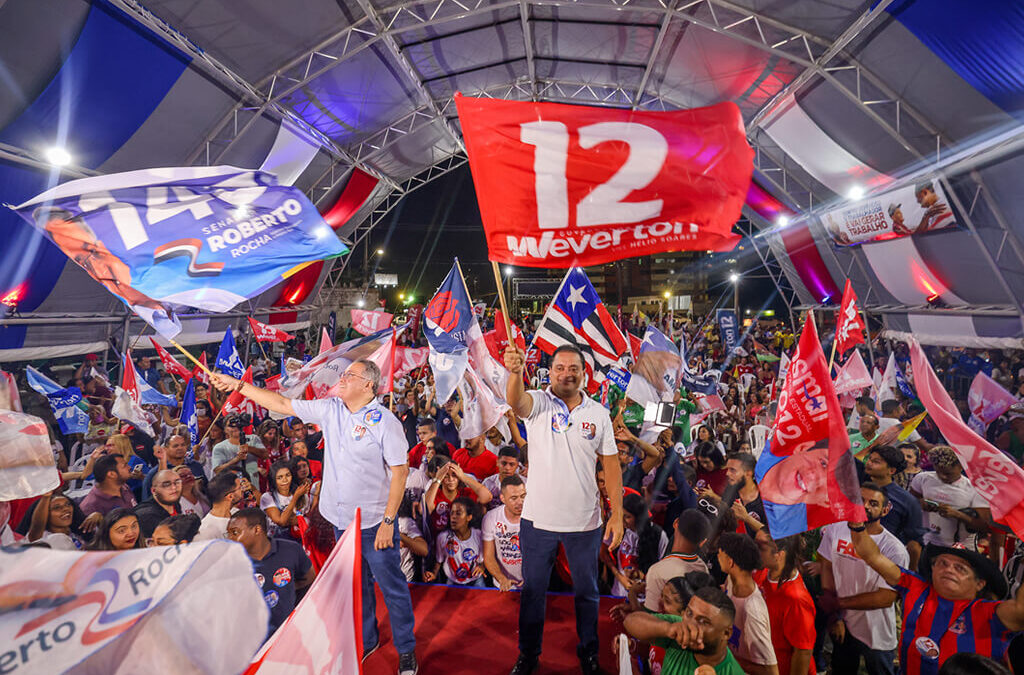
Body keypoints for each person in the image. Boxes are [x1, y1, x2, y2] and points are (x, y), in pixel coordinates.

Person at [211, 358, 419, 675]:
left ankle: (406, 650)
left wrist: (389, 522)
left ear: (368, 385)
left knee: (391, 587)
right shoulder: (331, 409)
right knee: (356, 585)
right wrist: (240, 386)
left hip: (374, 524)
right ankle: (367, 638)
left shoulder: (386, 422)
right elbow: (281, 402)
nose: (343, 378)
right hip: (340, 522)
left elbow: (400, 472)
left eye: (351, 375)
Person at [504, 344, 623, 675]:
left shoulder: (598, 414)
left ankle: (588, 653)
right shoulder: (539, 403)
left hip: (585, 523)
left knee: (587, 593)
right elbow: (516, 401)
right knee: (533, 592)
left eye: (573, 369)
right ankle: (528, 655)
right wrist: (515, 372)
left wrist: (615, 512)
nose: (566, 374)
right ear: (550, 371)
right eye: (560, 368)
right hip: (538, 521)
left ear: (584, 374)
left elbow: (611, 465)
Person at [848, 518, 1024, 673]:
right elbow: (872, 556)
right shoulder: (915, 587)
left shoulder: (991, 614)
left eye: (960, 568)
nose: (948, 569)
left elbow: (1020, 609)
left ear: (980, 584)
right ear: (931, 569)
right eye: (942, 563)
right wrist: (856, 526)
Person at [819, 484, 908, 675]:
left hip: (876, 630)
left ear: (885, 510)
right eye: (860, 500)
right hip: (843, 624)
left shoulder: (894, 549)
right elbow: (826, 566)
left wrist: (837, 604)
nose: (864, 506)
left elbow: (886, 597)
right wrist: (835, 616)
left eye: (873, 503)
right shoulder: (836, 529)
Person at [227, 507, 315, 636]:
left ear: (257, 530)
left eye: (235, 532)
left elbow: (309, 577)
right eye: (228, 533)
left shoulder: (291, 550)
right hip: (255, 641)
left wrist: (288, 589)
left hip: (290, 633)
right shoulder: (231, 564)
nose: (230, 538)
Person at [623, 586, 746, 674]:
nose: (690, 624)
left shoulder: (733, 671)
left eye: (703, 622)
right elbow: (630, 621)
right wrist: (667, 628)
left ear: (726, 633)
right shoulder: (678, 628)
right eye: (689, 613)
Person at [754, 530, 816, 675]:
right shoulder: (764, 572)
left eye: (760, 548)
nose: (754, 550)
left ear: (779, 555)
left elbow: (803, 652)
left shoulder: (796, 599)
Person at [717, 532, 777, 675]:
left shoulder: (752, 609)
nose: (717, 556)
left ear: (730, 562)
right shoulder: (731, 580)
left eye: (720, 554)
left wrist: (723, 657)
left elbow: (771, 671)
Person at [911, 445, 990, 549]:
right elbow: (911, 503)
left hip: (960, 548)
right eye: (938, 472)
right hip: (927, 543)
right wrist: (921, 504)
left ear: (961, 466)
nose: (943, 476)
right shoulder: (923, 478)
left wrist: (957, 514)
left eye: (948, 473)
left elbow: (984, 526)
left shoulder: (975, 490)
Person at [863, 446, 925, 568]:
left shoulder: (907, 501)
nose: (869, 463)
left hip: (883, 560)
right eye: (870, 459)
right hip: (848, 550)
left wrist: (909, 577)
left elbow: (914, 545)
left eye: (876, 462)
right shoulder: (856, 486)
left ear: (891, 470)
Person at [644, 509, 711, 612]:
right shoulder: (703, 568)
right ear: (702, 542)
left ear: (675, 523)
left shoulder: (657, 571)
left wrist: (632, 594)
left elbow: (650, 617)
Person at [425, 497, 485, 587]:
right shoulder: (443, 537)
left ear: (469, 517)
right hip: (452, 582)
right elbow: (439, 561)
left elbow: (485, 559)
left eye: (458, 513)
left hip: (476, 580)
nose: (453, 516)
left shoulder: (479, 535)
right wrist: (433, 574)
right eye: (452, 513)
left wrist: (482, 567)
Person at [482, 475, 526, 591]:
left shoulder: (535, 517)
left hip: (532, 583)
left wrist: (533, 576)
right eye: (514, 498)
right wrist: (502, 579)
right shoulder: (491, 518)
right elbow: (488, 556)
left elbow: (542, 554)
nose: (520, 502)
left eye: (523, 496)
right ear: (502, 498)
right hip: (502, 585)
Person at [141, 434, 207, 496]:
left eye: (183, 445)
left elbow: (206, 490)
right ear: (165, 449)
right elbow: (147, 500)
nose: (180, 448)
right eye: (175, 446)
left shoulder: (196, 465)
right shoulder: (155, 473)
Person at [261, 460, 311, 539]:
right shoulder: (268, 497)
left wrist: (294, 519)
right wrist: (295, 498)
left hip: (299, 539)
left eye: (287, 475)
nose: (285, 480)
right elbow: (282, 522)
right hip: (276, 540)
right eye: (279, 477)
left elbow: (304, 518)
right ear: (273, 480)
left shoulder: (302, 495)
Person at [78, 453, 137, 518]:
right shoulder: (91, 507)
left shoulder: (124, 487)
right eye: (125, 466)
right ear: (111, 474)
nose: (129, 467)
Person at [134, 468, 183, 538]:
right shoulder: (147, 517)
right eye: (166, 484)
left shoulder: (174, 502)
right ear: (154, 490)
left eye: (177, 482)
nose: (174, 487)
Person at [195, 471, 242, 541]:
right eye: (240, 487)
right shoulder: (205, 530)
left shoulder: (237, 513)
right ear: (230, 496)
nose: (243, 489)